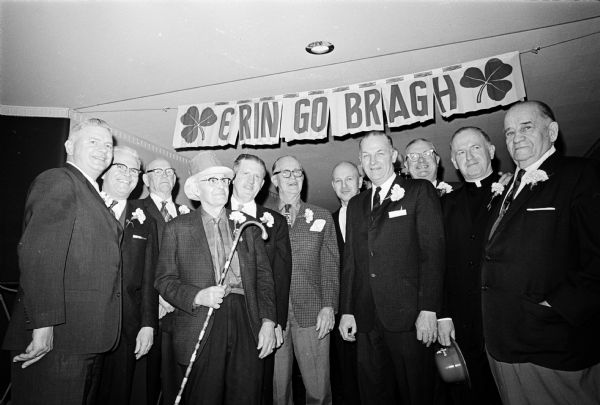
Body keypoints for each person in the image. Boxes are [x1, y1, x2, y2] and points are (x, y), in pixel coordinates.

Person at [482, 100, 600, 404]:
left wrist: (555, 306)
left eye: (526, 127)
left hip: (551, 343)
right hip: (502, 344)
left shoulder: (580, 174)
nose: (516, 137)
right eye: (509, 132)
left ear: (552, 131)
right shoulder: (506, 188)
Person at [3, 118, 121, 405]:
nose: (103, 150)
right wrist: (43, 326)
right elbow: (39, 254)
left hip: (81, 336)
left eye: (108, 145)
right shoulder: (58, 180)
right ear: (69, 145)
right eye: (93, 141)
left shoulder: (88, 191)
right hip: (56, 338)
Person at [154, 151, 276, 405]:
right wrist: (197, 295)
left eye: (223, 180)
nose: (220, 185)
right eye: (212, 180)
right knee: (204, 397)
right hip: (202, 319)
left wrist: (268, 321)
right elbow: (164, 280)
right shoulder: (177, 228)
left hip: (246, 318)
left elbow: (264, 277)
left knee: (246, 394)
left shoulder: (247, 225)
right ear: (196, 188)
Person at [339, 131, 444, 405]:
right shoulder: (356, 204)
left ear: (394, 156)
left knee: (416, 393)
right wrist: (347, 310)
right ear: (360, 162)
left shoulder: (419, 191)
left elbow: (432, 255)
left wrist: (429, 309)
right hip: (366, 317)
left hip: (409, 317)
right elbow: (350, 261)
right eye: (366, 155)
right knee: (374, 393)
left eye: (380, 153)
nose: (373, 161)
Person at [437, 127, 502, 405]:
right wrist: (443, 315)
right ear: (453, 162)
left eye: (475, 148)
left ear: (491, 151)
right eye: (460, 152)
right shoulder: (445, 204)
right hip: (463, 319)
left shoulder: (515, 190)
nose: (468, 156)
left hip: (506, 315)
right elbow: (438, 262)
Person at [271, 155, 339, 405]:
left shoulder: (321, 216)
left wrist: (329, 305)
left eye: (297, 173)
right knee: (278, 391)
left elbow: (330, 265)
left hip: (312, 313)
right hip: (273, 316)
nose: (292, 178)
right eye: (285, 173)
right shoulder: (262, 218)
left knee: (319, 390)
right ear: (274, 179)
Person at [96, 146, 160, 405]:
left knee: (119, 393)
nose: (128, 174)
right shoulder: (84, 204)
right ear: (104, 171)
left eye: (134, 170)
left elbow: (149, 277)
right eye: (120, 167)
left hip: (128, 325)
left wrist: (147, 324)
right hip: (83, 322)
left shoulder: (145, 220)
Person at [230, 153, 292, 405]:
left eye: (258, 177)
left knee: (257, 390)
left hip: (260, 318)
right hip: (221, 316)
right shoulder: (214, 211)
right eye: (246, 173)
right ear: (233, 176)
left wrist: (274, 320)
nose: (251, 181)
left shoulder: (275, 222)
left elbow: (280, 273)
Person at [140, 157, 189, 404]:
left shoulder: (188, 213)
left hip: (180, 313)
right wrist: (155, 297)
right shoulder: (134, 209)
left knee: (177, 385)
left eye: (170, 171)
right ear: (146, 179)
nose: (165, 175)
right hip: (148, 313)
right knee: (144, 385)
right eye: (157, 171)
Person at [330, 161, 362, 405]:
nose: (344, 185)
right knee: (347, 375)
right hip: (342, 309)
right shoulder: (327, 221)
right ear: (333, 186)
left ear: (360, 181)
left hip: (377, 308)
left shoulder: (379, 211)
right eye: (339, 181)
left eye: (349, 179)